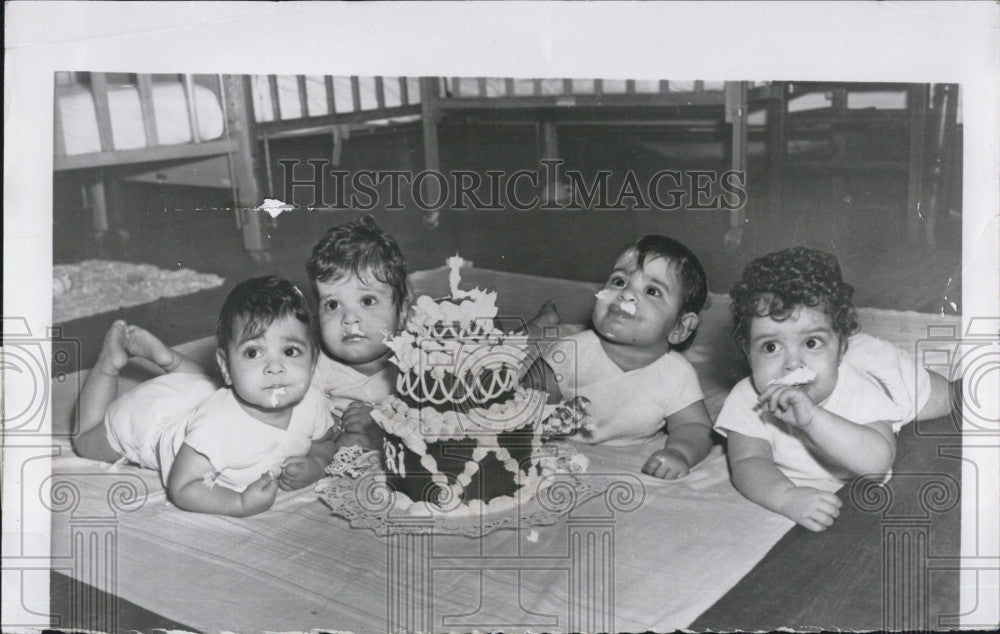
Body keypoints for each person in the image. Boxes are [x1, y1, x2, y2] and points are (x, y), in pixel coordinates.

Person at [716, 247, 952, 531]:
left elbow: (877, 463)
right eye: (771, 346)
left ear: (841, 347)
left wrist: (812, 419)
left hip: (887, 379)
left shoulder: (858, 389)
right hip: (837, 361)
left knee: (952, 399)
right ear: (747, 352)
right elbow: (748, 461)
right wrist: (786, 497)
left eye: (811, 342)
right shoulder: (748, 398)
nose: (792, 364)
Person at [72, 276, 336, 516]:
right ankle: (108, 364)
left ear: (313, 361)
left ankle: (172, 362)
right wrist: (239, 503)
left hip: (201, 390)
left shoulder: (312, 402)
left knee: (208, 384)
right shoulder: (216, 429)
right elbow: (183, 485)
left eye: (290, 351)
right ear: (226, 366)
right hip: (152, 417)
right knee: (85, 441)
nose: (275, 367)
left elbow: (325, 441)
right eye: (254, 352)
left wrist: (316, 463)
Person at [537, 235, 714, 480]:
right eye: (619, 281)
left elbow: (695, 427)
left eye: (652, 290)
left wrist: (680, 452)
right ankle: (542, 322)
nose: (626, 294)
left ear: (680, 328)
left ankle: (547, 321)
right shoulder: (571, 351)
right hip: (566, 347)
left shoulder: (676, 374)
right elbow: (531, 395)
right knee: (516, 345)